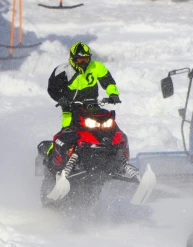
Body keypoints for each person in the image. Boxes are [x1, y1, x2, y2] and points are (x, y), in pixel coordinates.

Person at [45, 43, 132, 174]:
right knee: (66, 133)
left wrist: (113, 94)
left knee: (112, 128)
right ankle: (52, 158)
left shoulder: (96, 67)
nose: (84, 62)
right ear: (73, 59)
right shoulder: (63, 70)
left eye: (86, 59)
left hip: (92, 107)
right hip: (71, 108)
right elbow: (52, 89)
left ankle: (121, 162)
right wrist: (61, 98)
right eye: (81, 59)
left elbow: (108, 81)